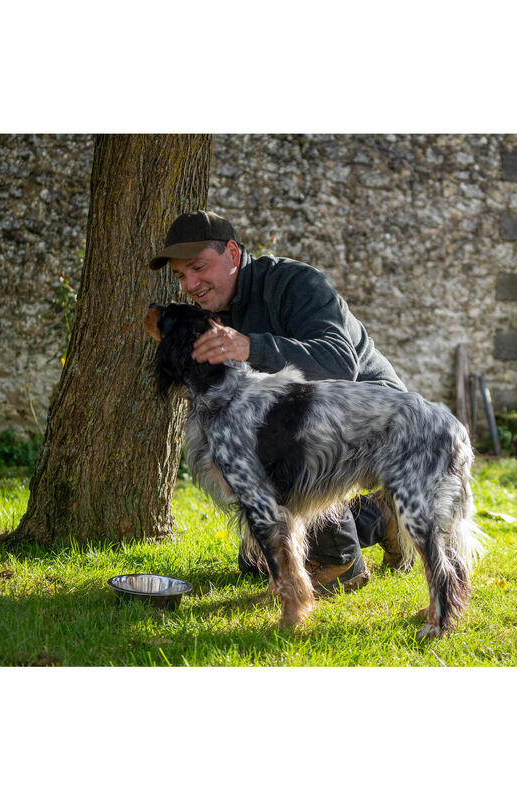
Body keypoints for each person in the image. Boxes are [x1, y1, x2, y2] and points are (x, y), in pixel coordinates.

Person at [149, 209, 412, 593]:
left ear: (233, 255)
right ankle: (380, 516)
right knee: (254, 561)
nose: (190, 284)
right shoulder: (216, 308)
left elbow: (338, 364)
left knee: (283, 456)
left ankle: (341, 562)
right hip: (308, 425)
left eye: (198, 267)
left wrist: (248, 346)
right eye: (181, 276)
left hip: (378, 418)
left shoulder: (296, 283)